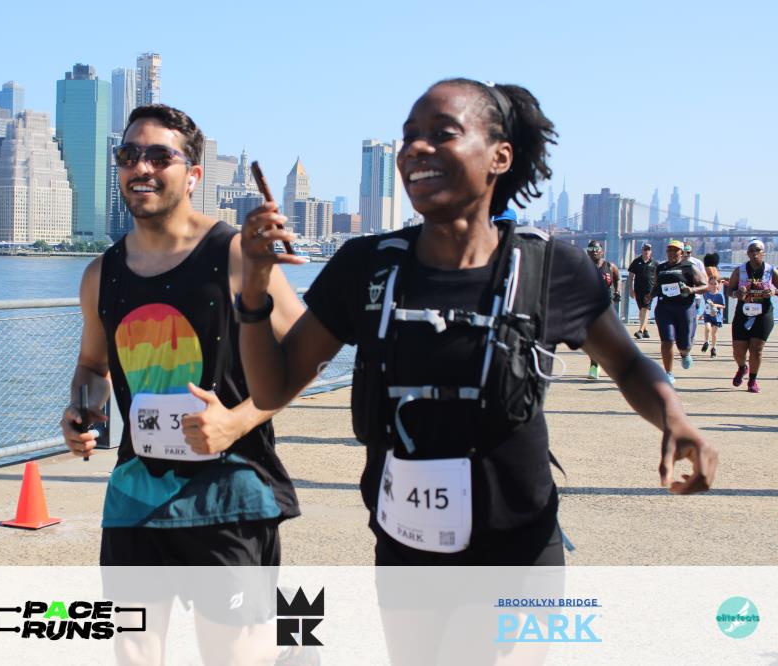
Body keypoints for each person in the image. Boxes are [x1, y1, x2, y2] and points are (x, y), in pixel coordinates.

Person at [237, 78, 716, 571]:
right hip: (404, 555)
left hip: (521, 553)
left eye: (442, 133)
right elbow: (273, 389)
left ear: (500, 157)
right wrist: (254, 284)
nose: (416, 148)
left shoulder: (551, 268)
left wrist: (674, 419)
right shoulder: (364, 266)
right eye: (409, 136)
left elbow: (628, 365)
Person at [60, 104, 303, 665]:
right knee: (133, 651)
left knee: (234, 656)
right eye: (128, 155)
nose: (140, 167)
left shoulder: (234, 253)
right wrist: (82, 412)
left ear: (193, 174)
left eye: (158, 156)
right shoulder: (101, 275)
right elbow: (93, 366)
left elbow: (305, 355)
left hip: (229, 492)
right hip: (135, 494)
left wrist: (237, 421)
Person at [646, 239, 707, 385]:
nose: (672, 253)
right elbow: (657, 286)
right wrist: (650, 295)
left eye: (675, 250)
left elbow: (704, 286)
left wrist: (691, 289)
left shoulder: (689, 267)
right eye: (669, 250)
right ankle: (668, 373)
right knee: (667, 340)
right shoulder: (661, 268)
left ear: (681, 253)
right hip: (664, 308)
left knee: (684, 345)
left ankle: (685, 353)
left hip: (684, 308)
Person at [728, 239, 777, 393]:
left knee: (756, 349)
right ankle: (742, 367)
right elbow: (729, 291)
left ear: (763, 253)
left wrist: (773, 291)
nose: (754, 253)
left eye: (758, 250)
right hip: (743, 312)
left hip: (763, 313)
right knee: (738, 351)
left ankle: (752, 380)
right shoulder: (739, 271)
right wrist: (737, 293)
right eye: (751, 250)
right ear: (747, 253)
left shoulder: (771, 270)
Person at [585, 240, 620, 379]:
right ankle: (594, 365)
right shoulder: (583, 266)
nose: (594, 251)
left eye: (596, 248)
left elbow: (617, 278)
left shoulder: (610, 266)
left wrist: (617, 291)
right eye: (591, 249)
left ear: (602, 251)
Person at [627, 242, 656, 339]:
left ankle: (640, 331)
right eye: (645, 249)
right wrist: (631, 289)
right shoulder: (636, 262)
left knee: (645, 309)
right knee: (641, 310)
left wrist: (656, 290)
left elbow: (658, 277)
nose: (646, 251)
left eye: (648, 249)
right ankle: (645, 330)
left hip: (650, 291)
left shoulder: (654, 263)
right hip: (638, 290)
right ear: (642, 250)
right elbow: (630, 277)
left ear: (651, 251)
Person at [701, 277, 725, 357]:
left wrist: (715, 305)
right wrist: (702, 314)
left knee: (714, 333)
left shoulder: (720, 295)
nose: (713, 285)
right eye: (711, 283)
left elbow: (723, 306)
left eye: (715, 284)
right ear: (709, 284)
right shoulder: (706, 294)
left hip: (716, 316)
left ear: (718, 285)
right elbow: (706, 305)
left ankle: (713, 348)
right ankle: (706, 342)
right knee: (707, 328)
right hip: (707, 315)